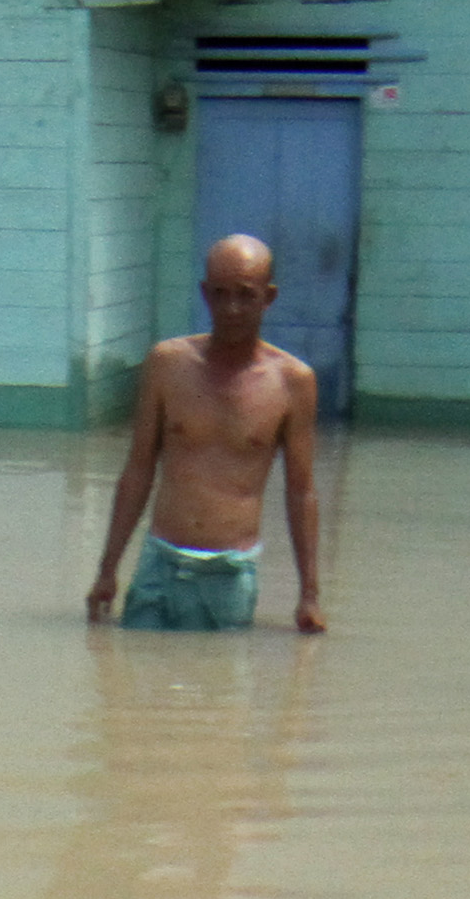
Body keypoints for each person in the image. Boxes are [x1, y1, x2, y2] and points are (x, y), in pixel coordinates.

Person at [89, 232, 327, 634]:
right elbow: (138, 470)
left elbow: (300, 491)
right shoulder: (167, 365)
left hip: (229, 575)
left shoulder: (292, 382)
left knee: (224, 692)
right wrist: (107, 571)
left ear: (268, 297)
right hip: (158, 566)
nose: (230, 308)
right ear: (204, 294)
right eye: (219, 294)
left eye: (245, 295)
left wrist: (310, 596)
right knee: (130, 685)